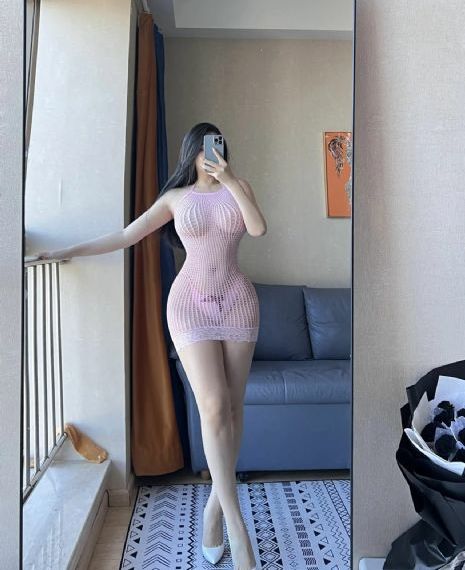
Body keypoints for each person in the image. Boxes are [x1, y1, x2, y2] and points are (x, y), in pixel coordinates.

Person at [36, 122, 267, 570]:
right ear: (191, 151)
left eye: (218, 145)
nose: (211, 154)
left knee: (234, 410)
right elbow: (126, 236)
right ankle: (237, 529)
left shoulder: (239, 188)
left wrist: (231, 180)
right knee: (214, 407)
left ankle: (213, 510)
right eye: (204, 147)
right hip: (189, 307)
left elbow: (258, 229)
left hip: (238, 304)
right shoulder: (176, 199)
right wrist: (65, 250)